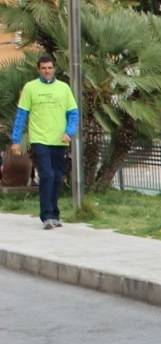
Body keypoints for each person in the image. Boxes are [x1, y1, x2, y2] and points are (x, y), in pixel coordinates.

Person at [9, 54, 78, 230]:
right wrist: (16, 141)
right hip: (40, 139)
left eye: (50, 68)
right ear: (38, 69)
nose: (47, 71)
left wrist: (69, 132)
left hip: (60, 140)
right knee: (46, 175)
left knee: (57, 177)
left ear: (54, 69)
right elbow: (21, 115)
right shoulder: (30, 88)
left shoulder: (64, 88)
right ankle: (46, 215)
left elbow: (73, 113)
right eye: (43, 68)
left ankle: (55, 214)